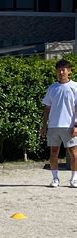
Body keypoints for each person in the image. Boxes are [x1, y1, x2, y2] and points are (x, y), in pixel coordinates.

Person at [41, 59, 77, 188]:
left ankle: (74, 179)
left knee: (74, 153)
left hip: (69, 125)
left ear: (69, 71)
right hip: (54, 126)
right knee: (54, 152)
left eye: (64, 70)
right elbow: (47, 108)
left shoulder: (75, 87)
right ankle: (55, 178)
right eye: (59, 70)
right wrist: (44, 126)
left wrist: (76, 126)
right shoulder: (52, 88)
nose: (61, 72)